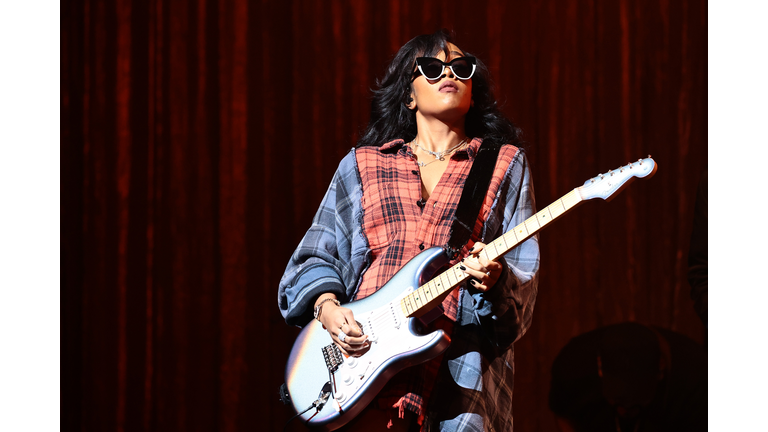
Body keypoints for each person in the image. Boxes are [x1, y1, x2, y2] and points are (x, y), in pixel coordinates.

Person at [279, 29, 539, 431]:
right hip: (359, 374)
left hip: (459, 384)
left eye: (461, 67)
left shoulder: (503, 165)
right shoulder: (364, 164)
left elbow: (522, 282)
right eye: (432, 67)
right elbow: (316, 255)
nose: (448, 74)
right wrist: (328, 309)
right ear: (409, 95)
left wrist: (496, 278)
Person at [548, 322, 707, 432]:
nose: (626, 409)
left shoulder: (695, 380)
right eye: (618, 399)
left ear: (661, 368)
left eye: (637, 400)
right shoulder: (573, 367)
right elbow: (564, 414)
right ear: (600, 367)